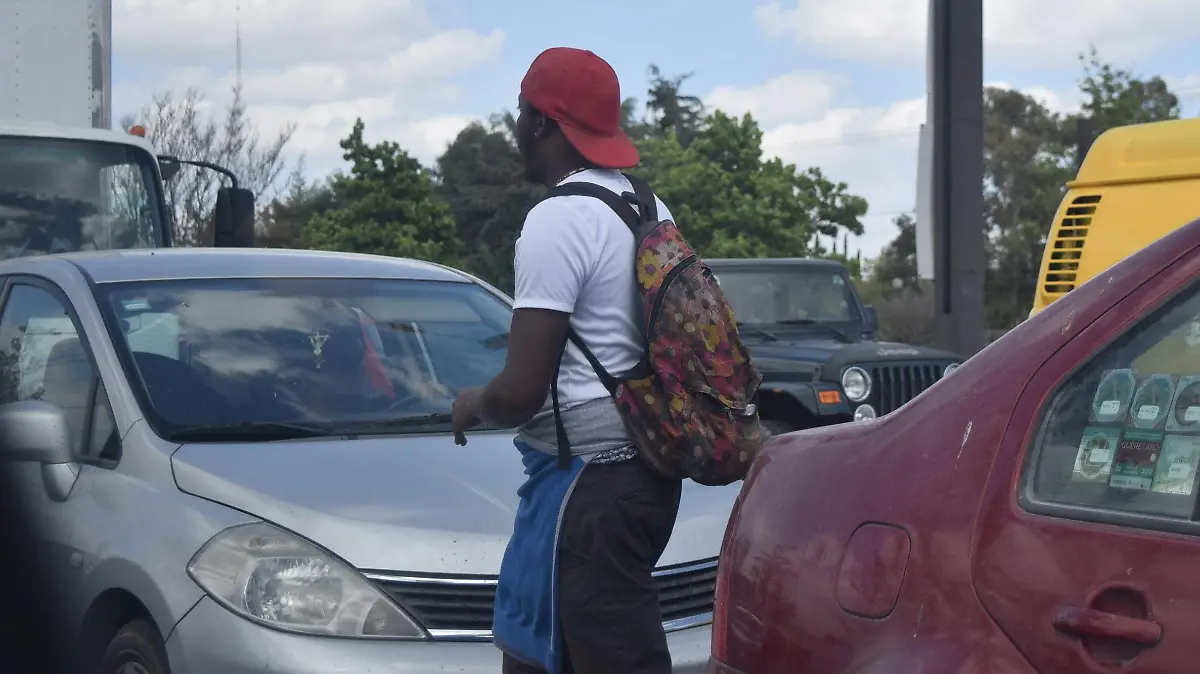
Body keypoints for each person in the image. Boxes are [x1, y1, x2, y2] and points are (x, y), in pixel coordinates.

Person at [451, 47, 683, 674]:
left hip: (590, 487)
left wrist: (476, 403)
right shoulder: (644, 205)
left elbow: (521, 392)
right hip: (646, 472)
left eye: (521, 113)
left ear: (539, 121)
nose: (517, 127)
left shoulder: (557, 219)